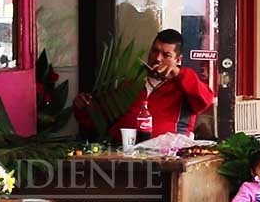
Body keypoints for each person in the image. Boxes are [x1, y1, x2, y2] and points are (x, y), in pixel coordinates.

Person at [73, 29, 213, 141]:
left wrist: (178, 73)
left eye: (166, 55)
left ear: (178, 60)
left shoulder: (185, 86)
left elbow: (206, 100)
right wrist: (83, 106)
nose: (157, 58)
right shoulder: (132, 84)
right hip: (122, 153)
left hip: (167, 156)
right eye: (155, 51)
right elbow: (99, 119)